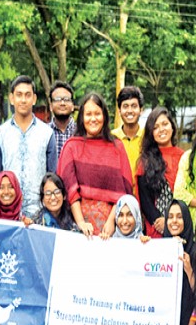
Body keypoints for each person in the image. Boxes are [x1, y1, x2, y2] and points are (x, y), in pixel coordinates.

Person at [57, 92, 134, 237]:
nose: (93, 119)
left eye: (97, 114)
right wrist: (81, 223)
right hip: (77, 228)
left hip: (112, 229)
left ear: (104, 116)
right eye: (88, 114)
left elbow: (125, 190)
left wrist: (112, 221)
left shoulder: (117, 147)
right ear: (81, 117)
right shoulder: (71, 147)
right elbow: (69, 190)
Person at [0, 76, 57, 217]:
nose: (23, 100)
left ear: (34, 99)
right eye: (19, 95)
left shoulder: (47, 134)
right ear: (11, 98)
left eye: (28, 95)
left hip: (39, 214)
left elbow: (53, 176)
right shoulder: (0, 134)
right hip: (8, 215)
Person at [136, 107, 185, 237]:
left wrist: (171, 220)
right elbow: (145, 199)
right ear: (151, 133)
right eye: (156, 127)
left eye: (165, 124)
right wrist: (160, 221)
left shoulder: (184, 157)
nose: (161, 129)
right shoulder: (145, 161)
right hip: (156, 227)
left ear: (172, 127)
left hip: (181, 224)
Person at [112, 86, 145, 180]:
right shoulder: (111, 138)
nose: (130, 111)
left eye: (134, 106)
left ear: (141, 110)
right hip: (119, 188)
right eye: (125, 106)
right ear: (119, 111)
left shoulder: (148, 137)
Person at [48, 80, 76, 158]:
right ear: (51, 106)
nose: (62, 103)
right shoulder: (43, 132)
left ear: (72, 106)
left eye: (66, 99)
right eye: (58, 99)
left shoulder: (81, 132)